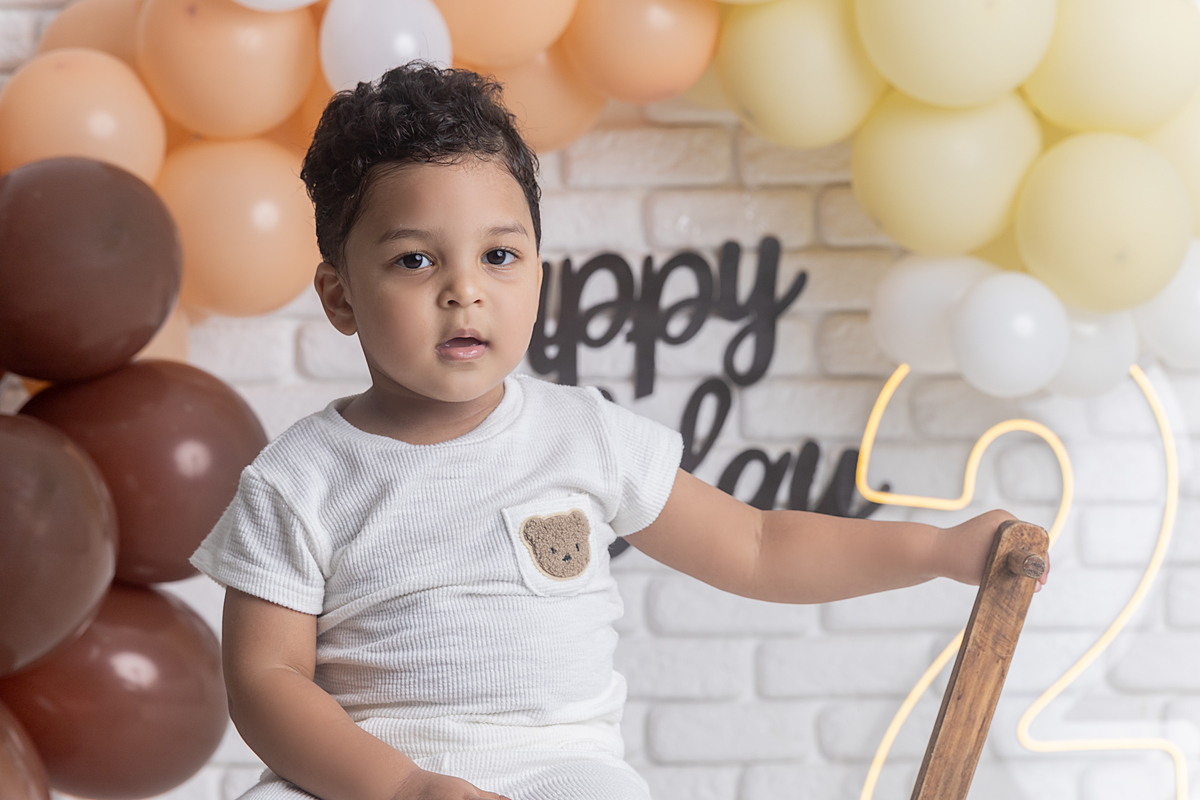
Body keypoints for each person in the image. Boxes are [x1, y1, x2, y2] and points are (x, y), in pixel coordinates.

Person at [190, 63, 1045, 800]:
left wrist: (936, 554)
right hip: (360, 774)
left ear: (536, 271)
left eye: (498, 256)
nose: (465, 291)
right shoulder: (298, 478)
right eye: (416, 259)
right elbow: (266, 681)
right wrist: (401, 785)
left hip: (558, 768)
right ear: (340, 296)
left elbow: (758, 544)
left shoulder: (582, 436)